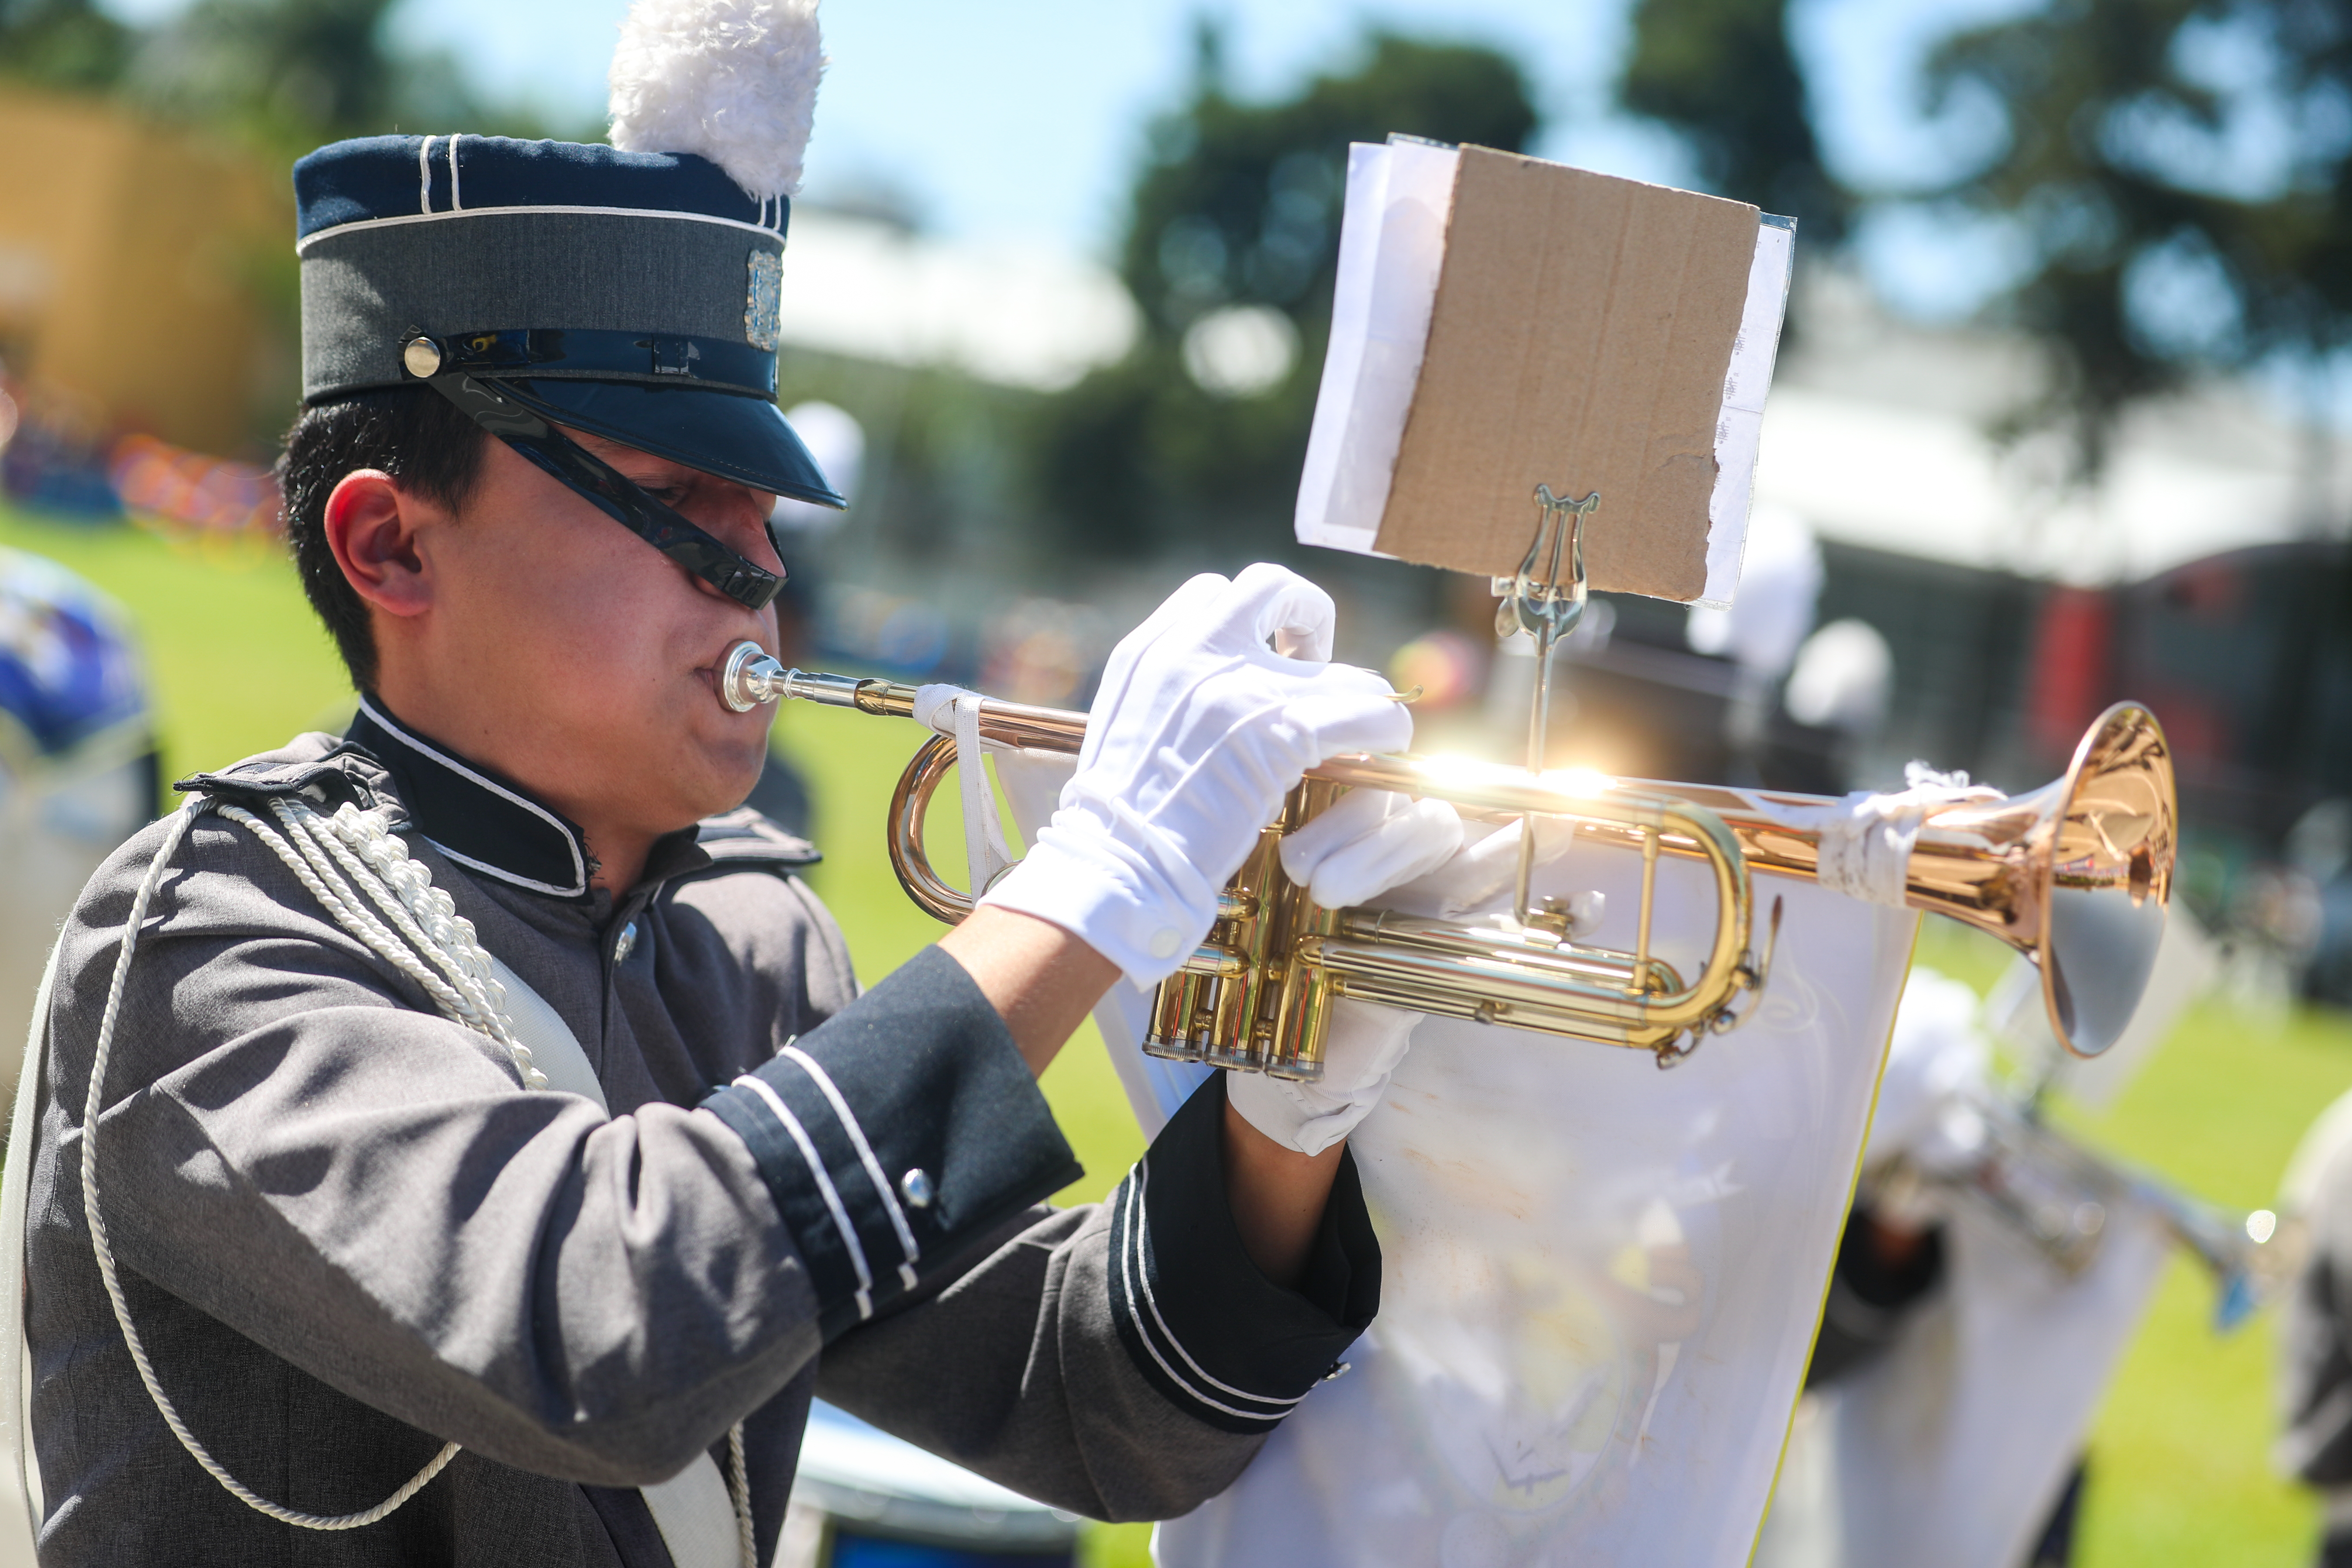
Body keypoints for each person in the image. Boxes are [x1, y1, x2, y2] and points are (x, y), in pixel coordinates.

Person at [9, 9, 1466, 1564]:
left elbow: (1093, 1406)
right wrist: (1090, 886)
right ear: (393, 545)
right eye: (676, 497)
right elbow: (603, 1331)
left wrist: (1292, 1109)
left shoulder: (744, 943)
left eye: (767, 507)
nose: (763, 568)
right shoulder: (205, 938)